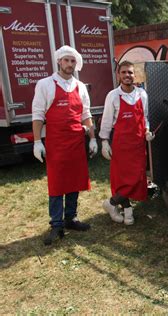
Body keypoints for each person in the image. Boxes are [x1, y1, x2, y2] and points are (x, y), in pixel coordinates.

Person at [32, 45, 98, 246]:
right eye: (66, 60)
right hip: (56, 143)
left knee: (74, 180)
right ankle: (56, 224)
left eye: (73, 61)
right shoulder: (45, 84)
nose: (70, 64)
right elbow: (38, 115)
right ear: (59, 61)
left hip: (76, 142)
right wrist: (37, 142)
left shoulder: (80, 86)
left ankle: (71, 218)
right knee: (57, 183)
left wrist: (93, 138)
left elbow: (86, 114)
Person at [99, 61, 154, 225]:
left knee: (137, 177)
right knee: (122, 179)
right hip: (121, 144)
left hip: (138, 144)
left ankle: (111, 204)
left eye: (130, 72)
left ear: (134, 75)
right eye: (124, 72)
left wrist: (147, 131)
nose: (127, 76)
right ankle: (127, 210)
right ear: (118, 75)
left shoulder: (142, 94)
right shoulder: (113, 96)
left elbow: (145, 117)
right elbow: (107, 120)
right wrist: (104, 142)